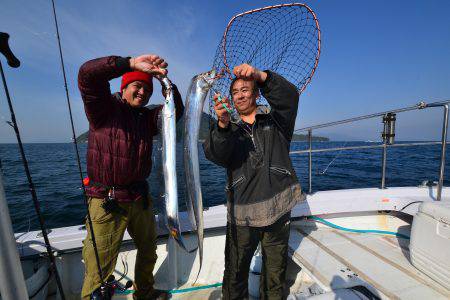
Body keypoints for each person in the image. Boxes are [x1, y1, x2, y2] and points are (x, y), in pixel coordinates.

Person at [78, 54, 184, 299]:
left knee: (148, 250)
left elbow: (173, 111)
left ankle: (144, 292)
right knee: (99, 264)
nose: (143, 93)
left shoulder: (147, 118)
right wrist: (129, 63)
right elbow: (87, 75)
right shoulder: (102, 109)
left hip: (139, 197)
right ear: (123, 87)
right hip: (107, 201)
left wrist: (165, 82)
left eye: (147, 89)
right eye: (137, 86)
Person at [203, 63, 305, 300]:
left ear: (257, 93)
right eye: (235, 92)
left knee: (275, 273)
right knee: (235, 273)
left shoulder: (277, 122)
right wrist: (223, 125)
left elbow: (290, 97)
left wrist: (261, 76)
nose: (239, 95)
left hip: (278, 209)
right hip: (242, 215)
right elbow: (216, 154)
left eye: (245, 90)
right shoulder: (229, 128)